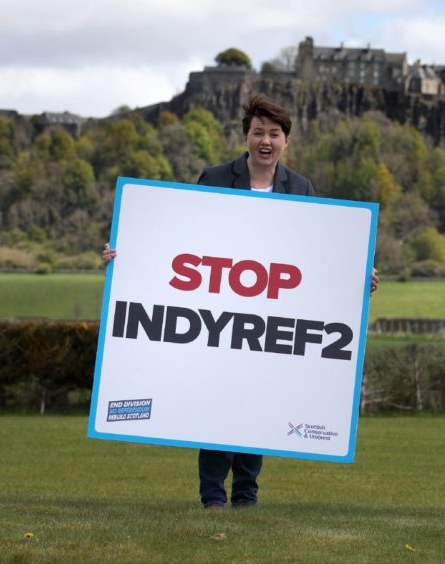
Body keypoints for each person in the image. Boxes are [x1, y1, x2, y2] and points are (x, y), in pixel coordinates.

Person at [104, 94, 379, 510]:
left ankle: (247, 494)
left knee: (260, 403)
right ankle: (212, 494)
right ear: (246, 137)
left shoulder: (301, 188)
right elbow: (182, 237)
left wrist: (356, 279)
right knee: (216, 401)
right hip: (219, 311)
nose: (265, 141)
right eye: (257, 133)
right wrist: (127, 254)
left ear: (285, 141)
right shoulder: (214, 178)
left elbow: (317, 252)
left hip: (273, 313)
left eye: (274, 134)